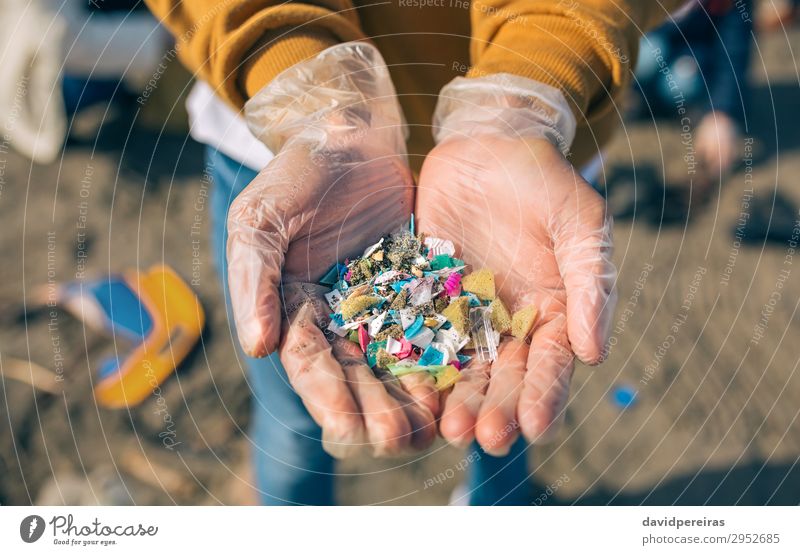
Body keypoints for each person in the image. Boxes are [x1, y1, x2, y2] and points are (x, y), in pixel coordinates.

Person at [144, 0, 685, 505]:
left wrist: (525, 97)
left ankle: (494, 505)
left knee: (503, 407)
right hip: (291, 154)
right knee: (293, 418)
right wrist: (312, 103)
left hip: (526, 170)